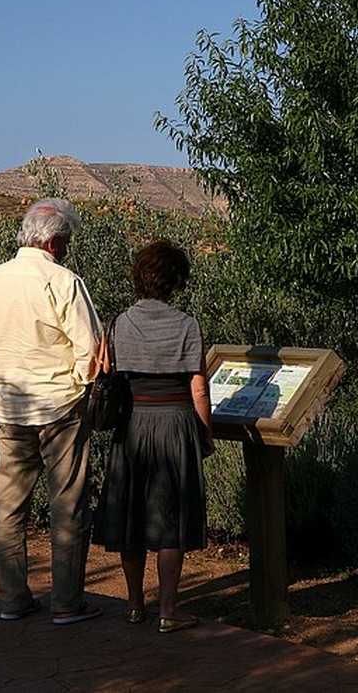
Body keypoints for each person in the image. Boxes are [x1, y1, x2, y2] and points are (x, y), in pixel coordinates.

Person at [0, 197, 104, 625]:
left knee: (8, 505)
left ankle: (13, 599)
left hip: (11, 408)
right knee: (67, 504)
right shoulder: (64, 282)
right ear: (56, 243)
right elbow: (91, 349)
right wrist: (77, 386)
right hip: (60, 406)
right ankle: (66, 602)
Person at [94, 239, 215, 633]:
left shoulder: (117, 324)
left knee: (131, 515)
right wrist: (204, 436)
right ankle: (168, 610)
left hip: (133, 424)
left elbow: (106, 374)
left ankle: (133, 604)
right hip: (176, 424)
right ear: (175, 280)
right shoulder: (187, 325)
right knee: (171, 521)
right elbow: (199, 389)